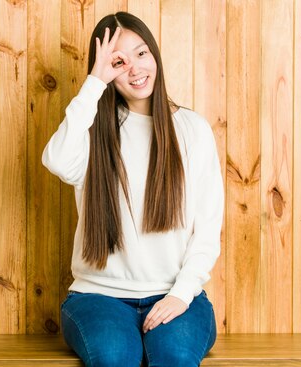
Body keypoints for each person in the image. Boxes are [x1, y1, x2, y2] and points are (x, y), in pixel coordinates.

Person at [42, 12, 223, 367]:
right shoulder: (91, 132)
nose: (135, 69)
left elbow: (207, 231)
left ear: (154, 54)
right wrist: (94, 82)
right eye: (118, 62)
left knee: (174, 358)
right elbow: (57, 160)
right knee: (114, 358)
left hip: (175, 293)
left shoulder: (192, 129)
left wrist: (181, 295)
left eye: (141, 54)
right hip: (98, 297)